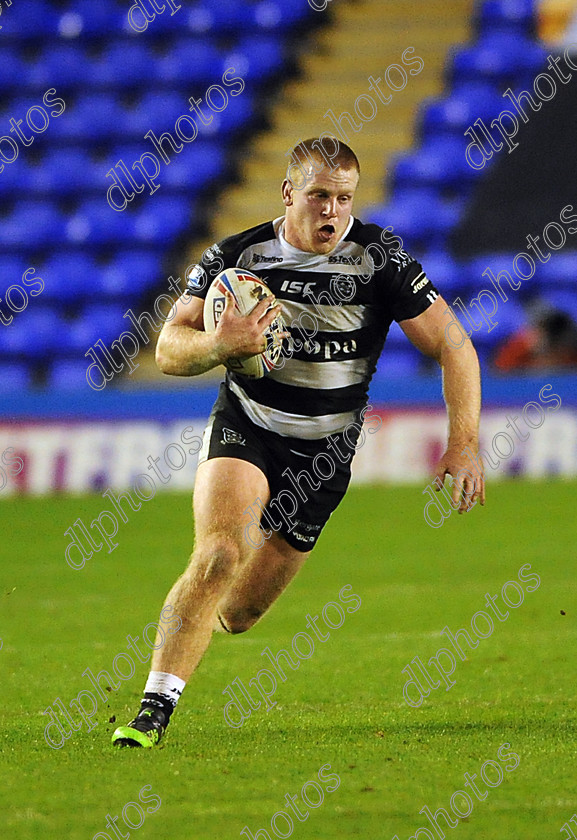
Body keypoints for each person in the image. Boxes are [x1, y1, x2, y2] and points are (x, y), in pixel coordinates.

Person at [112, 137, 485, 748]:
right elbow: (168, 347)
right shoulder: (239, 259)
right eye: (318, 196)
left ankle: (202, 636)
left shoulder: (379, 259)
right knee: (219, 557)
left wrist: (464, 442)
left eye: (343, 198)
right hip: (249, 426)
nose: (332, 212)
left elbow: (453, 343)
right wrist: (219, 346)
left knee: (238, 613)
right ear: (288, 194)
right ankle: (152, 712)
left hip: (325, 457)